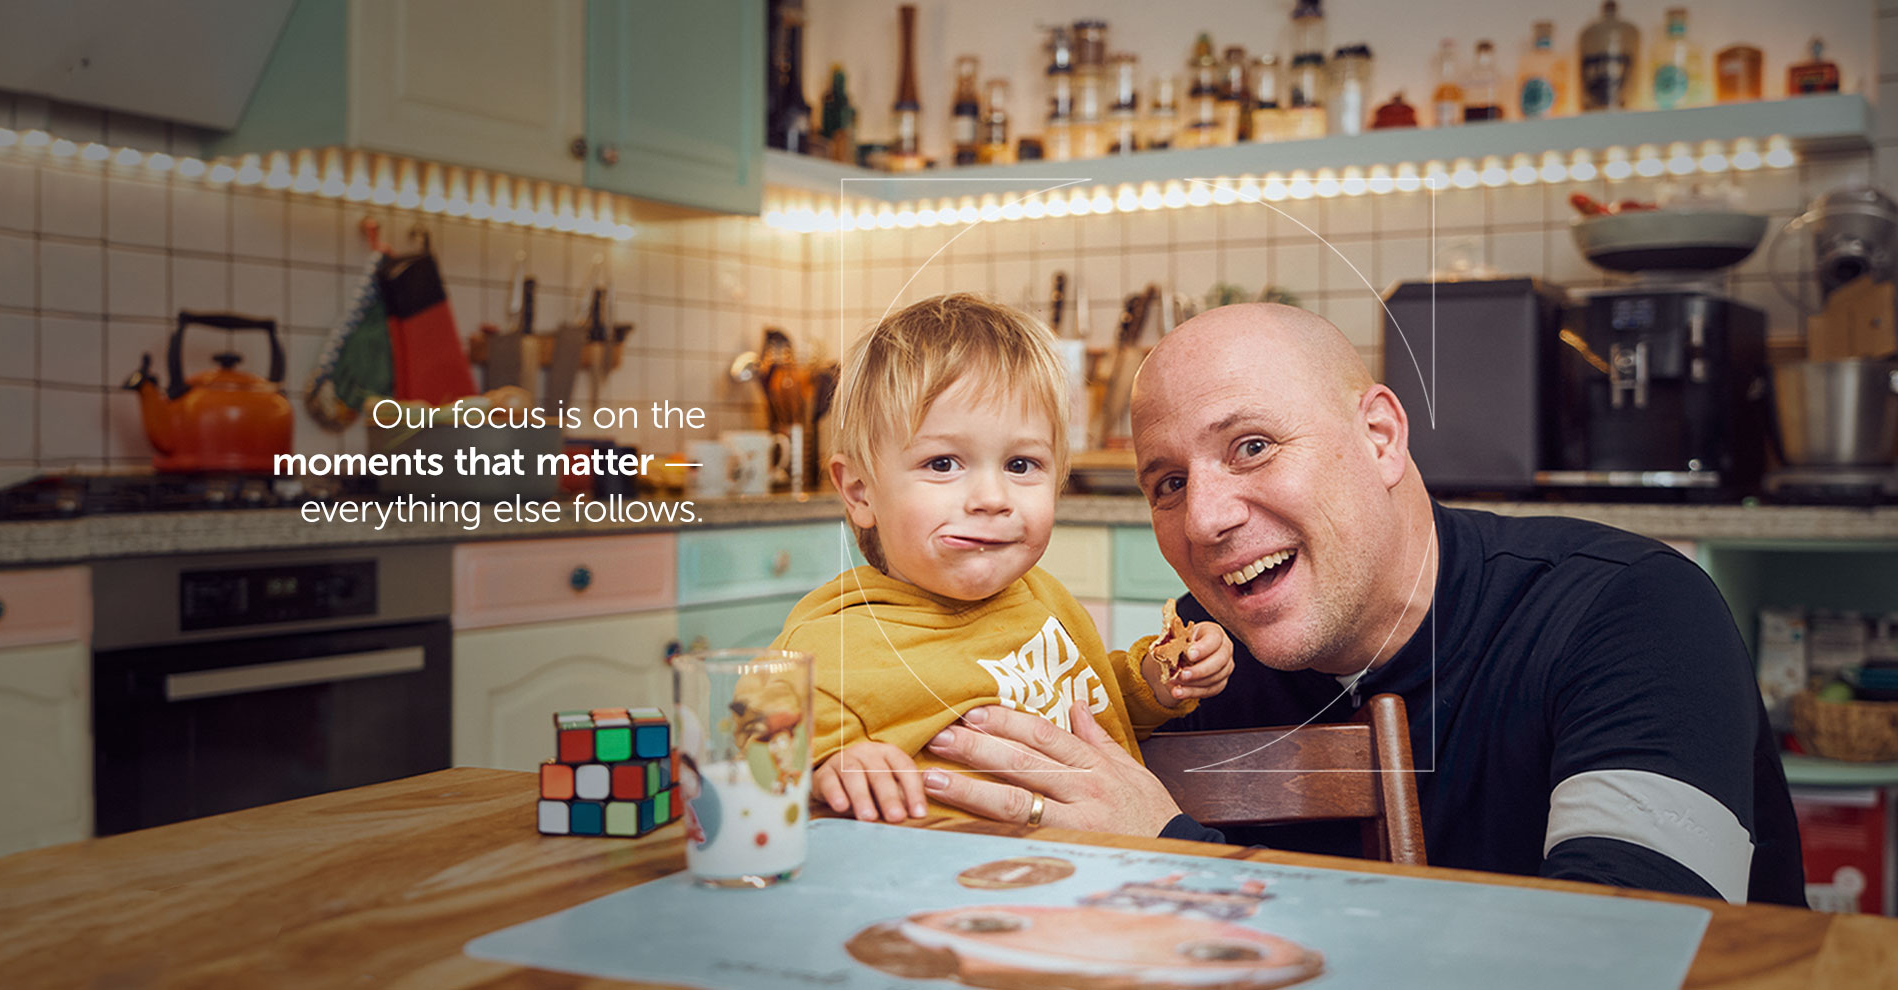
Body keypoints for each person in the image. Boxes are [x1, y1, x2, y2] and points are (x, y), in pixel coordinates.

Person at [922, 303, 1806, 906]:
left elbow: (1628, 953)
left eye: (1254, 446)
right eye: (1168, 482)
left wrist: (1180, 854)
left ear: (1380, 436)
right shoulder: (1199, 664)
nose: (1205, 518)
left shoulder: (1633, 613)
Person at [774, 293, 1235, 824]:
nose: (992, 498)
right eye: (943, 463)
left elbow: (1084, 714)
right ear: (859, 492)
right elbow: (757, 744)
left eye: (1021, 463)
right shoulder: (833, 643)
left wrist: (1154, 679)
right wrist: (833, 763)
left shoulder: (1043, 600)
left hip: (1100, 883)